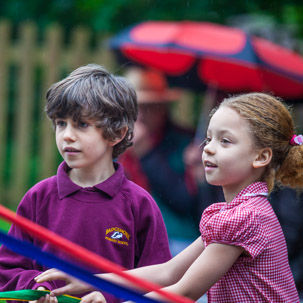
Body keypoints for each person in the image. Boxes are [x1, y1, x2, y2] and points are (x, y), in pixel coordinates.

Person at [36, 92, 302, 302]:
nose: (208, 149)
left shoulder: (245, 217)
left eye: (226, 141)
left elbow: (183, 292)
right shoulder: (234, 211)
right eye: (209, 138)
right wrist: (91, 280)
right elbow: (169, 271)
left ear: (261, 157)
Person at [0, 64, 171, 303]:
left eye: (81, 124)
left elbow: (160, 281)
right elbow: (7, 268)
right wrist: (35, 287)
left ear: (117, 133)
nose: (67, 135)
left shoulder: (139, 204)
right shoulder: (39, 197)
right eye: (61, 123)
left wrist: (109, 297)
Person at [119, 67, 205, 251]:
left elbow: (184, 202)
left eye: (147, 107)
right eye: (133, 108)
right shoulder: (115, 142)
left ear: (163, 108)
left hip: (174, 238)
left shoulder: (186, 143)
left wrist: (146, 153)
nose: (139, 115)